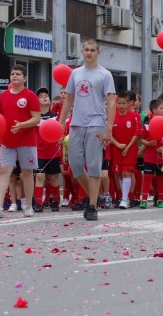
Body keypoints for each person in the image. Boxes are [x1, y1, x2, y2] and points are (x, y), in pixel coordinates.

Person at [59, 38, 116, 221]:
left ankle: (92, 206)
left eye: (92, 50)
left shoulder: (105, 74)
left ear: (98, 52)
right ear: (82, 52)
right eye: (86, 49)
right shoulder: (75, 73)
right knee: (75, 166)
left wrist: (109, 128)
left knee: (93, 166)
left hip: (96, 123)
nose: (89, 52)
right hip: (76, 123)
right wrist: (61, 122)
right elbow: (69, 98)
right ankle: (94, 194)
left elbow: (111, 102)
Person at [0, 65, 41, 218]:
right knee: (4, 170)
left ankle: (28, 205)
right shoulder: (4, 96)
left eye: (18, 74)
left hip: (27, 140)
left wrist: (21, 125)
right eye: (12, 74)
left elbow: (36, 118)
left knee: (27, 172)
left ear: (25, 78)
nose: (15, 76)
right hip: (7, 140)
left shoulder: (30, 96)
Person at [32, 87, 61, 212]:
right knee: (39, 176)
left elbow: (61, 131)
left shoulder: (56, 116)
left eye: (46, 96)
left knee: (53, 177)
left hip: (53, 151)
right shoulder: (34, 117)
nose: (44, 97)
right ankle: (38, 202)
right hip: (39, 151)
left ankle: (55, 201)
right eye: (40, 96)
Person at [111, 91, 141, 209]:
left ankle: (125, 199)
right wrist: (117, 145)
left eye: (124, 103)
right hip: (116, 148)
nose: (121, 105)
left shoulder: (134, 116)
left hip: (130, 150)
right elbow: (109, 133)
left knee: (126, 172)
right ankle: (123, 197)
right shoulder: (112, 115)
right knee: (118, 174)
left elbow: (136, 133)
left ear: (129, 104)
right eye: (119, 103)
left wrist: (127, 147)